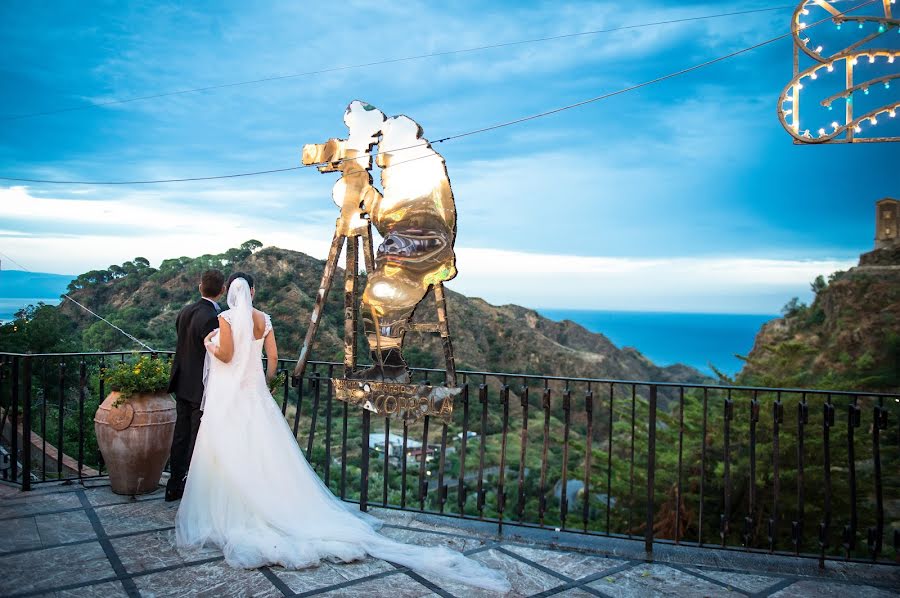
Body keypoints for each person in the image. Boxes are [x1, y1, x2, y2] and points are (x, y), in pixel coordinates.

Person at [175, 274, 509, 592]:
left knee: (232, 452)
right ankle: (274, 505)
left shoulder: (228, 319)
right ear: (252, 292)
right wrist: (266, 383)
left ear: (230, 292)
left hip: (231, 400)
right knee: (269, 455)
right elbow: (272, 357)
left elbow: (227, 354)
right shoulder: (265, 320)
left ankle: (236, 509)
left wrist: (208, 345)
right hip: (256, 396)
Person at [165, 269, 225, 502]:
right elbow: (214, 352)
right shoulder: (213, 318)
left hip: (181, 383)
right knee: (196, 439)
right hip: (201, 387)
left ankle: (173, 486)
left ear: (200, 287)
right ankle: (191, 489)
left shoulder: (185, 311)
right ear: (222, 290)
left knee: (180, 435)